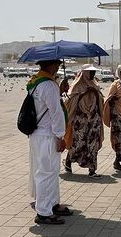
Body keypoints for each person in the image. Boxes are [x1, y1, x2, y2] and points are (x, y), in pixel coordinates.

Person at [27, 59, 72, 225]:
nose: (58, 67)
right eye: (57, 65)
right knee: (46, 173)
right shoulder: (49, 85)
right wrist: (60, 136)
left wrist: (59, 91)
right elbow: (56, 113)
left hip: (39, 134)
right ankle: (44, 212)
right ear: (50, 65)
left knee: (50, 171)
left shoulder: (35, 83)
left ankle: (52, 204)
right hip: (48, 135)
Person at [63, 65, 105, 178]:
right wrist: (84, 93)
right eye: (90, 72)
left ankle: (92, 170)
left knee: (93, 144)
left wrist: (94, 92)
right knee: (78, 143)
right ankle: (68, 161)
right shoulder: (77, 85)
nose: (93, 75)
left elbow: (100, 100)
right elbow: (70, 100)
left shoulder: (96, 84)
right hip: (80, 119)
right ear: (85, 73)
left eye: (94, 72)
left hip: (94, 118)